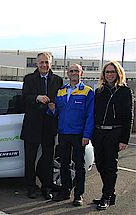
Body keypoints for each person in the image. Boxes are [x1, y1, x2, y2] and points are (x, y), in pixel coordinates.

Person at [48, 64, 94, 206]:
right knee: (64, 165)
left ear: (81, 73)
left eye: (76, 71)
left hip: (78, 134)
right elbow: (57, 112)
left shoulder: (87, 91)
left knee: (79, 166)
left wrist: (87, 135)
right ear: (67, 73)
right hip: (63, 133)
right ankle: (65, 191)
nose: (73, 73)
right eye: (71, 71)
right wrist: (51, 109)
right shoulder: (61, 91)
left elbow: (90, 115)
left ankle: (79, 195)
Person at [20, 52, 63, 199]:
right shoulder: (29, 79)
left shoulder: (58, 80)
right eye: (41, 63)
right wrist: (37, 98)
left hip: (49, 125)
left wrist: (54, 108)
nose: (44, 65)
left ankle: (47, 187)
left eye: (47, 62)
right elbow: (24, 98)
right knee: (30, 158)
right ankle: (31, 187)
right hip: (32, 124)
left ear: (51, 63)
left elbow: (61, 101)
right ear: (36, 64)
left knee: (48, 159)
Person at [92, 61, 133, 210]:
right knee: (100, 164)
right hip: (99, 133)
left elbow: (128, 117)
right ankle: (110, 192)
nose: (109, 74)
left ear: (118, 74)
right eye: (107, 72)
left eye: (112, 72)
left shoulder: (125, 91)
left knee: (110, 166)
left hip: (114, 133)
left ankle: (106, 196)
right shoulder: (99, 91)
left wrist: (124, 139)